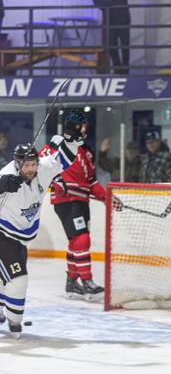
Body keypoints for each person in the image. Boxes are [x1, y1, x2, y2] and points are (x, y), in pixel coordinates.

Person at [0, 136, 79, 338]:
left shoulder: (42, 169)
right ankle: (14, 321)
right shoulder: (6, 175)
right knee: (18, 279)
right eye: (26, 165)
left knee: (4, 277)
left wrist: (73, 140)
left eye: (33, 164)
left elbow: (64, 158)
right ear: (17, 163)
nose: (31, 168)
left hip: (20, 238)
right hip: (3, 234)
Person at [42, 110, 107, 301]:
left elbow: (91, 180)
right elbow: (40, 164)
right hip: (66, 200)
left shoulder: (86, 151)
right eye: (82, 125)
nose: (85, 129)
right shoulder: (58, 144)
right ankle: (87, 282)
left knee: (76, 242)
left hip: (82, 201)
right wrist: (56, 180)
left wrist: (106, 197)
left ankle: (71, 283)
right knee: (82, 239)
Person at [93, 0, 130, 74]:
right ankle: (118, 69)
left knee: (125, 47)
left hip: (123, 19)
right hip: (109, 19)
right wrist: (108, 2)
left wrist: (107, 2)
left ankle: (125, 71)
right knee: (112, 47)